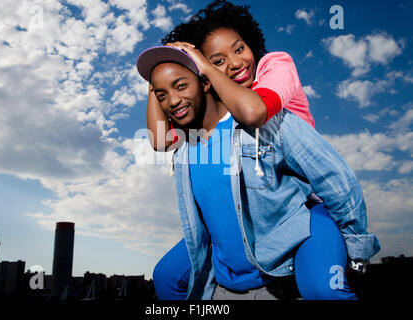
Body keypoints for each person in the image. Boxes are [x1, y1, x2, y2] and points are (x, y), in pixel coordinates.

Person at [136, 46, 380, 300]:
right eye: (162, 94)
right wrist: (155, 81)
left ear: (206, 83)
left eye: (181, 86)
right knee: (164, 277)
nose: (173, 101)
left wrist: (356, 250)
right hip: (229, 267)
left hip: (287, 247)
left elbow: (336, 179)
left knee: (324, 292)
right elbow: (158, 137)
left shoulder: (268, 123)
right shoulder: (184, 148)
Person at [147, 0, 314, 153]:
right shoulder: (220, 98)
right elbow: (161, 141)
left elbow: (253, 113)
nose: (235, 63)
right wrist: (156, 75)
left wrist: (209, 68)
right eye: (219, 61)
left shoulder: (275, 65)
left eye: (239, 49)